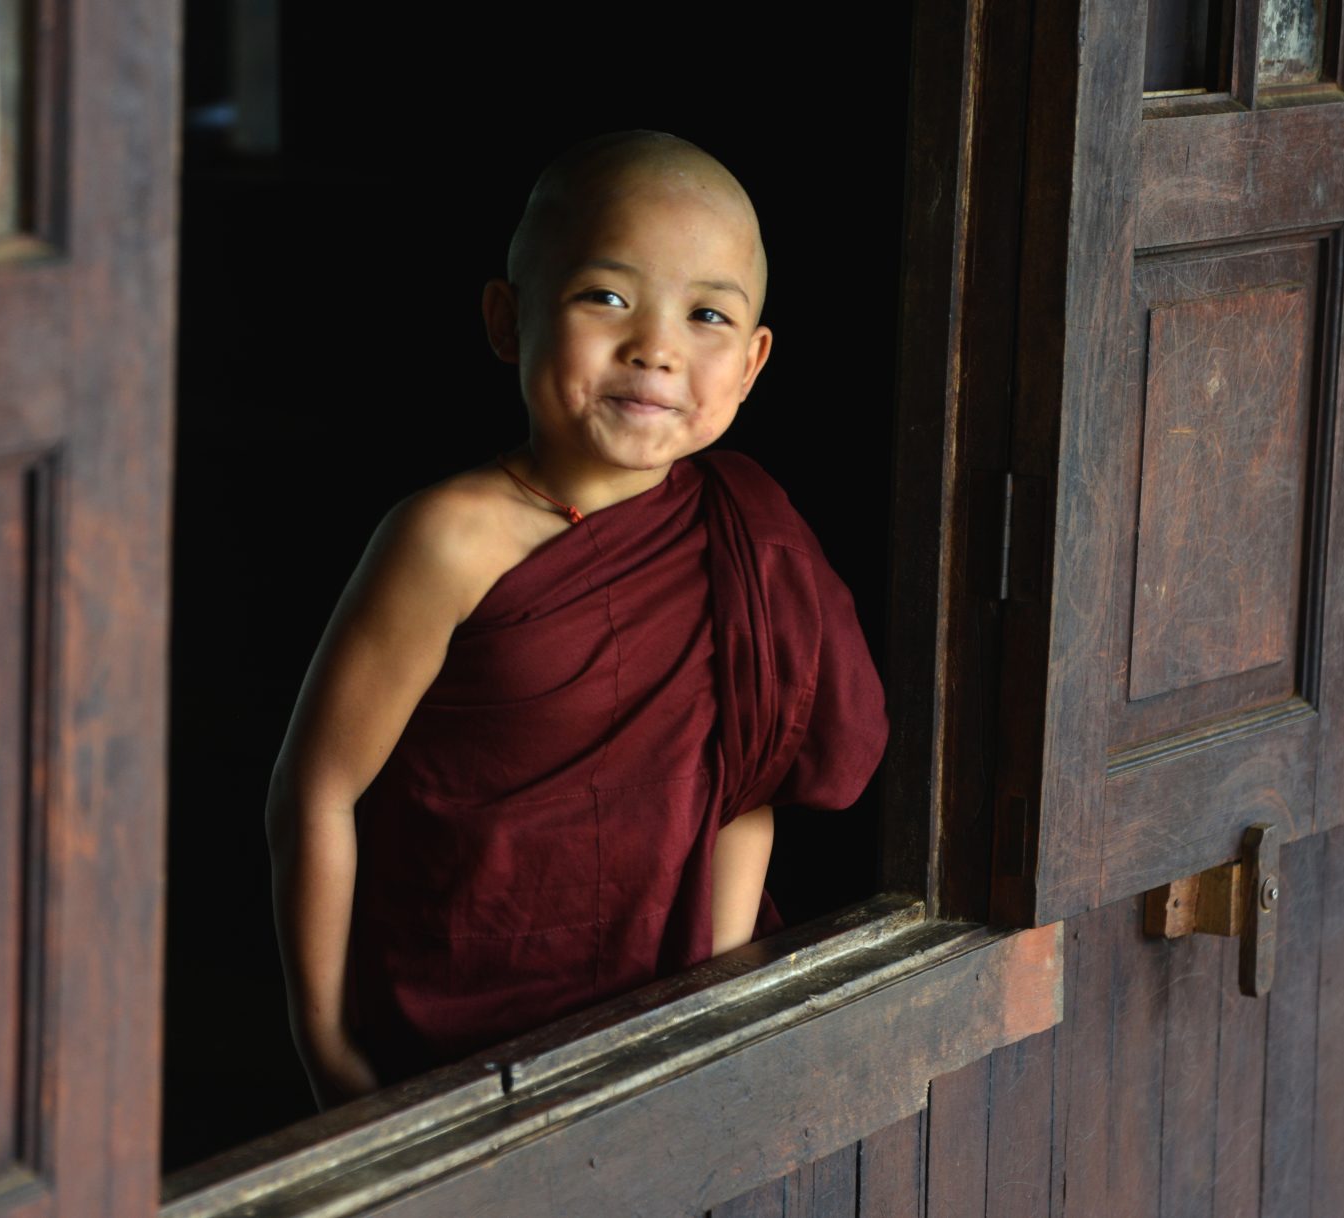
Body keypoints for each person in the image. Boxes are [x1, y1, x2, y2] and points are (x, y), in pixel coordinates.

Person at [264, 130, 889, 1109]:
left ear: (753, 363)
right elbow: (316, 794)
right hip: (448, 1021)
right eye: (606, 297)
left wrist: (714, 1006)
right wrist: (323, 1040)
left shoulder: (745, 535)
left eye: (708, 315)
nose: (656, 347)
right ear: (507, 320)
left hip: (661, 1026)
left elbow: (744, 790)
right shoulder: (447, 540)